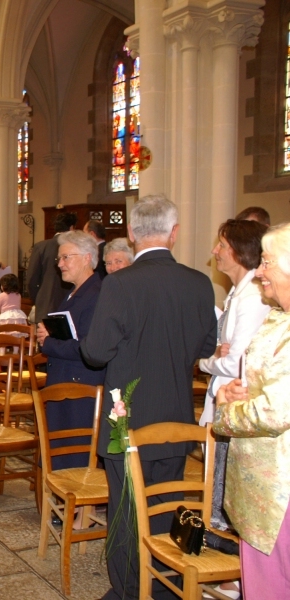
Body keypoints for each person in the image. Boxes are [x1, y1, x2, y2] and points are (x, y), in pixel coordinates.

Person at [80, 195, 217, 600]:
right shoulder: (198, 282)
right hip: (175, 414)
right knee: (168, 502)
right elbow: (207, 344)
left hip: (128, 420)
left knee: (126, 510)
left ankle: (128, 591)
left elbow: (96, 352)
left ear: (131, 234)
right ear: (174, 233)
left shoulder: (120, 284)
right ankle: (164, 586)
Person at [213, 222, 290, 600]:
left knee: (273, 583)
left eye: (269, 262)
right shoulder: (279, 316)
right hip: (262, 481)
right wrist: (233, 389)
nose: (259, 270)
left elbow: (277, 410)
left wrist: (226, 411)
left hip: (280, 487)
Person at [197, 219, 269, 600]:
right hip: (223, 400)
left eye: (221, 244)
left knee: (227, 495)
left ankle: (234, 579)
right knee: (219, 489)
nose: (215, 251)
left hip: (235, 403)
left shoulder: (253, 296)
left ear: (240, 249)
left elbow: (237, 360)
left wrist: (206, 361)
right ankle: (231, 575)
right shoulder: (240, 292)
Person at [35, 231, 105, 469]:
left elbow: (89, 347)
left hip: (80, 387)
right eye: (59, 259)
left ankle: (79, 504)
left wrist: (49, 342)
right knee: (62, 453)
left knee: (76, 455)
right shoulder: (74, 292)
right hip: (66, 381)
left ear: (87, 258)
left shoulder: (96, 295)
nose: (60, 264)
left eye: (66, 258)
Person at [26, 212, 77, 323]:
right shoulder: (75, 248)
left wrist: (39, 299)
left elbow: (31, 280)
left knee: (44, 339)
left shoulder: (41, 247)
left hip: (46, 305)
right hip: (70, 306)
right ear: (71, 228)